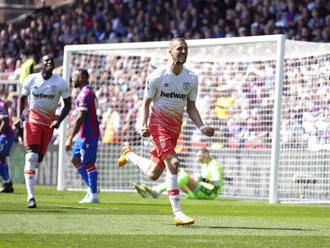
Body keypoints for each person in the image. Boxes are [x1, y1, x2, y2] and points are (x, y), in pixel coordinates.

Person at [117, 38, 215, 226]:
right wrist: (143, 125)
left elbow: (191, 107)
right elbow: (146, 103)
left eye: (185, 49)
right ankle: (178, 213)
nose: (183, 52)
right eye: (179, 49)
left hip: (174, 129)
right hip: (158, 126)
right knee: (174, 162)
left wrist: (202, 126)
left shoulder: (192, 78)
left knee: (154, 174)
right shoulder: (157, 76)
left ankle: (128, 155)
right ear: (170, 52)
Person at [16, 55, 71, 208]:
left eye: (51, 61)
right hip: (32, 121)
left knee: (38, 160)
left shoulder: (60, 82)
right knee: (31, 157)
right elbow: (22, 98)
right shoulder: (31, 79)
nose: (49, 62)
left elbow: (68, 104)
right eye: (46, 60)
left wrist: (59, 121)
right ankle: (31, 197)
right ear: (41, 64)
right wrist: (19, 116)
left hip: (48, 125)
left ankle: (35, 167)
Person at [134, 148, 224, 200]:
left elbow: (218, 183)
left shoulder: (214, 165)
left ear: (206, 154)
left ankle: (156, 191)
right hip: (200, 191)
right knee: (181, 174)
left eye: (199, 156)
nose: (198, 158)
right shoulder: (205, 165)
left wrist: (202, 179)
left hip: (211, 193)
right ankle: (154, 191)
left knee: (184, 176)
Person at [65, 68, 100, 204]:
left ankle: (94, 194)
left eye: (74, 76)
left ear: (81, 78)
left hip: (89, 134)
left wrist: (69, 137)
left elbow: (81, 117)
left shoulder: (86, 93)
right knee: (75, 159)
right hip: (82, 134)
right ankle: (91, 187)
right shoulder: (84, 92)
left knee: (88, 162)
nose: (72, 79)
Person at [0, 97, 15, 193]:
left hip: (5, 135)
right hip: (3, 135)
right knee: (2, 158)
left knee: (1, 157)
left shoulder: (1, 104)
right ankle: (7, 183)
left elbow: (5, 122)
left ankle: (7, 183)